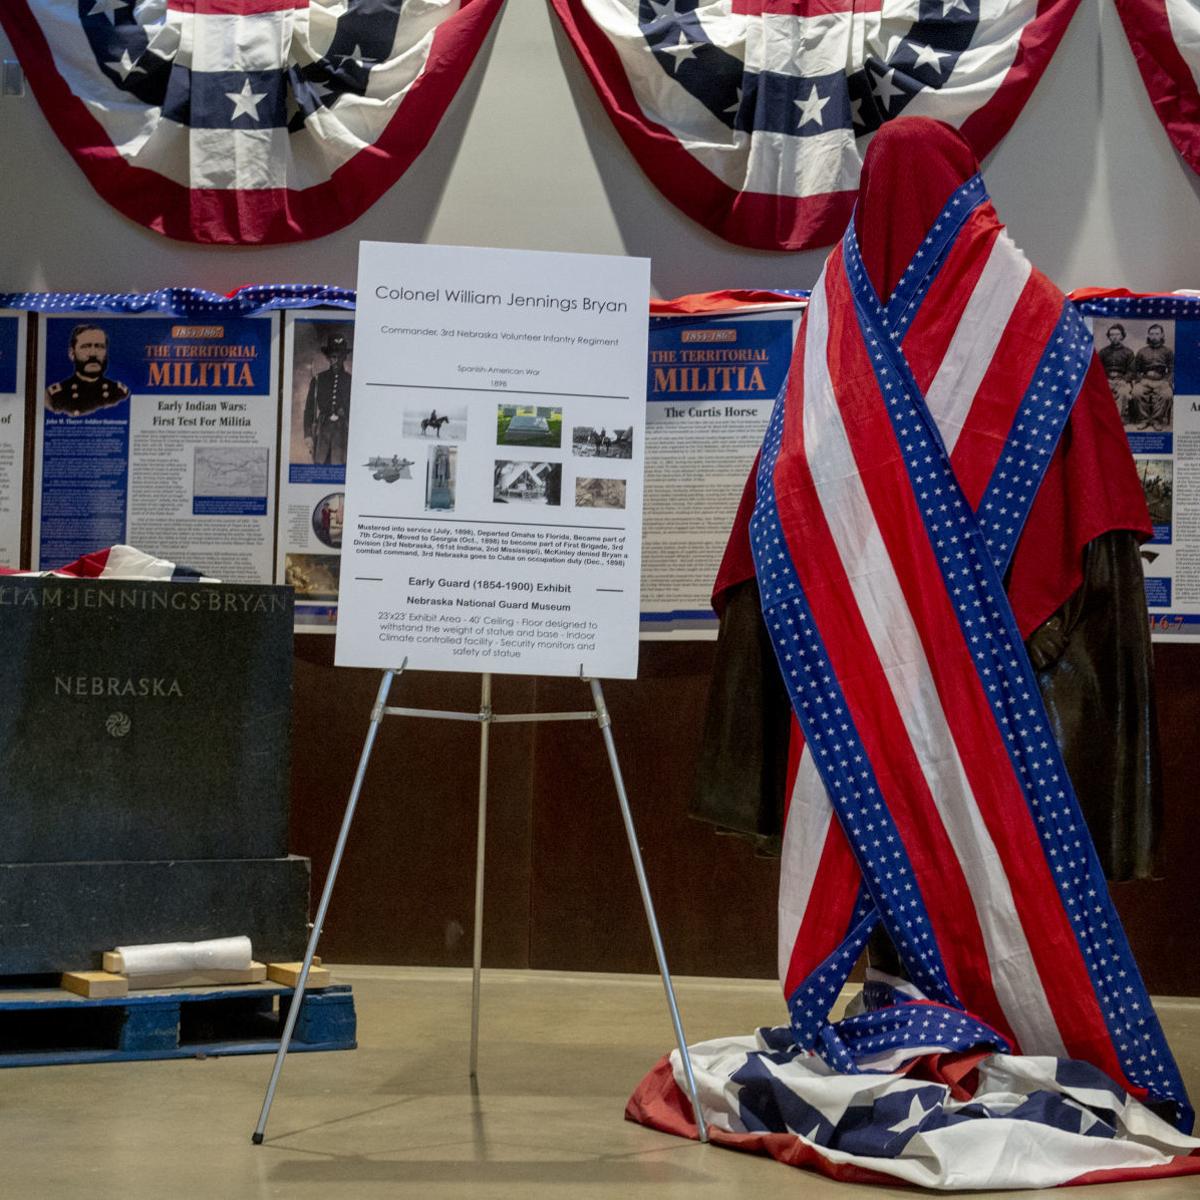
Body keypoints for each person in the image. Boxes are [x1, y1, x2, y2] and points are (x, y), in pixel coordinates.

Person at [632, 117, 1191, 1184]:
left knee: (922, 833)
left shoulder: (849, 336)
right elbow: (1100, 531)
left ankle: (947, 1008)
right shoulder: (1012, 328)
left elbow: (779, 520)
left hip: (937, 678)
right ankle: (936, 1009)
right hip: (1006, 673)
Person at [45, 324, 129, 416]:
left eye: (99, 346)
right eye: (85, 346)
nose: (93, 353)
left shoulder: (118, 392)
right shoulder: (54, 396)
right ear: (72, 353)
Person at [303, 332, 351, 464]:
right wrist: (308, 435)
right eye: (332, 356)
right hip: (322, 433)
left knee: (341, 467)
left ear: (344, 357)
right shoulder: (318, 380)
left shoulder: (351, 381)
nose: (334, 360)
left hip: (343, 434)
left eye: (339, 356)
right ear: (328, 357)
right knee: (321, 466)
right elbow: (309, 409)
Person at [1132, 322, 1174, 430]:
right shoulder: (1142, 351)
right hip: (1145, 380)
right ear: (1148, 335)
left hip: (1161, 380)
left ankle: (1157, 420)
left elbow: (1172, 369)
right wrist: (1140, 380)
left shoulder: (1168, 351)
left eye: (1157, 333)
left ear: (1162, 335)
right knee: (1136, 392)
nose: (1154, 336)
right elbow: (1135, 369)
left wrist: (1167, 381)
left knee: (1167, 395)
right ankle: (1144, 419)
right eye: (1152, 334)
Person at [1098, 323, 1135, 423]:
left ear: (1122, 336)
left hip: (1122, 380)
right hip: (1106, 380)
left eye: (1117, 334)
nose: (1114, 337)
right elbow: (1098, 370)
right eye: (1112, 335)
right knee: (1100, 392)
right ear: (1109, 337)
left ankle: (1119, 418)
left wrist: (1124, 380)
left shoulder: (1128, 352)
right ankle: (1104, 418)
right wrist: (1104, 380)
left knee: (1123, 392)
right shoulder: (1103, 352)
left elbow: (1132, 371)